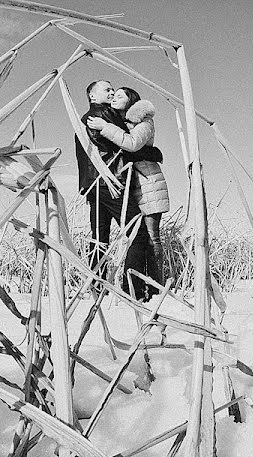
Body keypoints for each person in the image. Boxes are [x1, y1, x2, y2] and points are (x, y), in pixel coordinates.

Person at [75, 80, 161, 300]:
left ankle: (97, 286)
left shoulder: (87, 118)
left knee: (99, 238)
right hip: (111, 182)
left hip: (92, 185)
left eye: (114, 91)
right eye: (108, 90)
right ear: (92, 96)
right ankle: (132, 289)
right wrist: (150, 153)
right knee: (138, 233)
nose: (112, 93)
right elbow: (125, 145)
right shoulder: (103, 115)